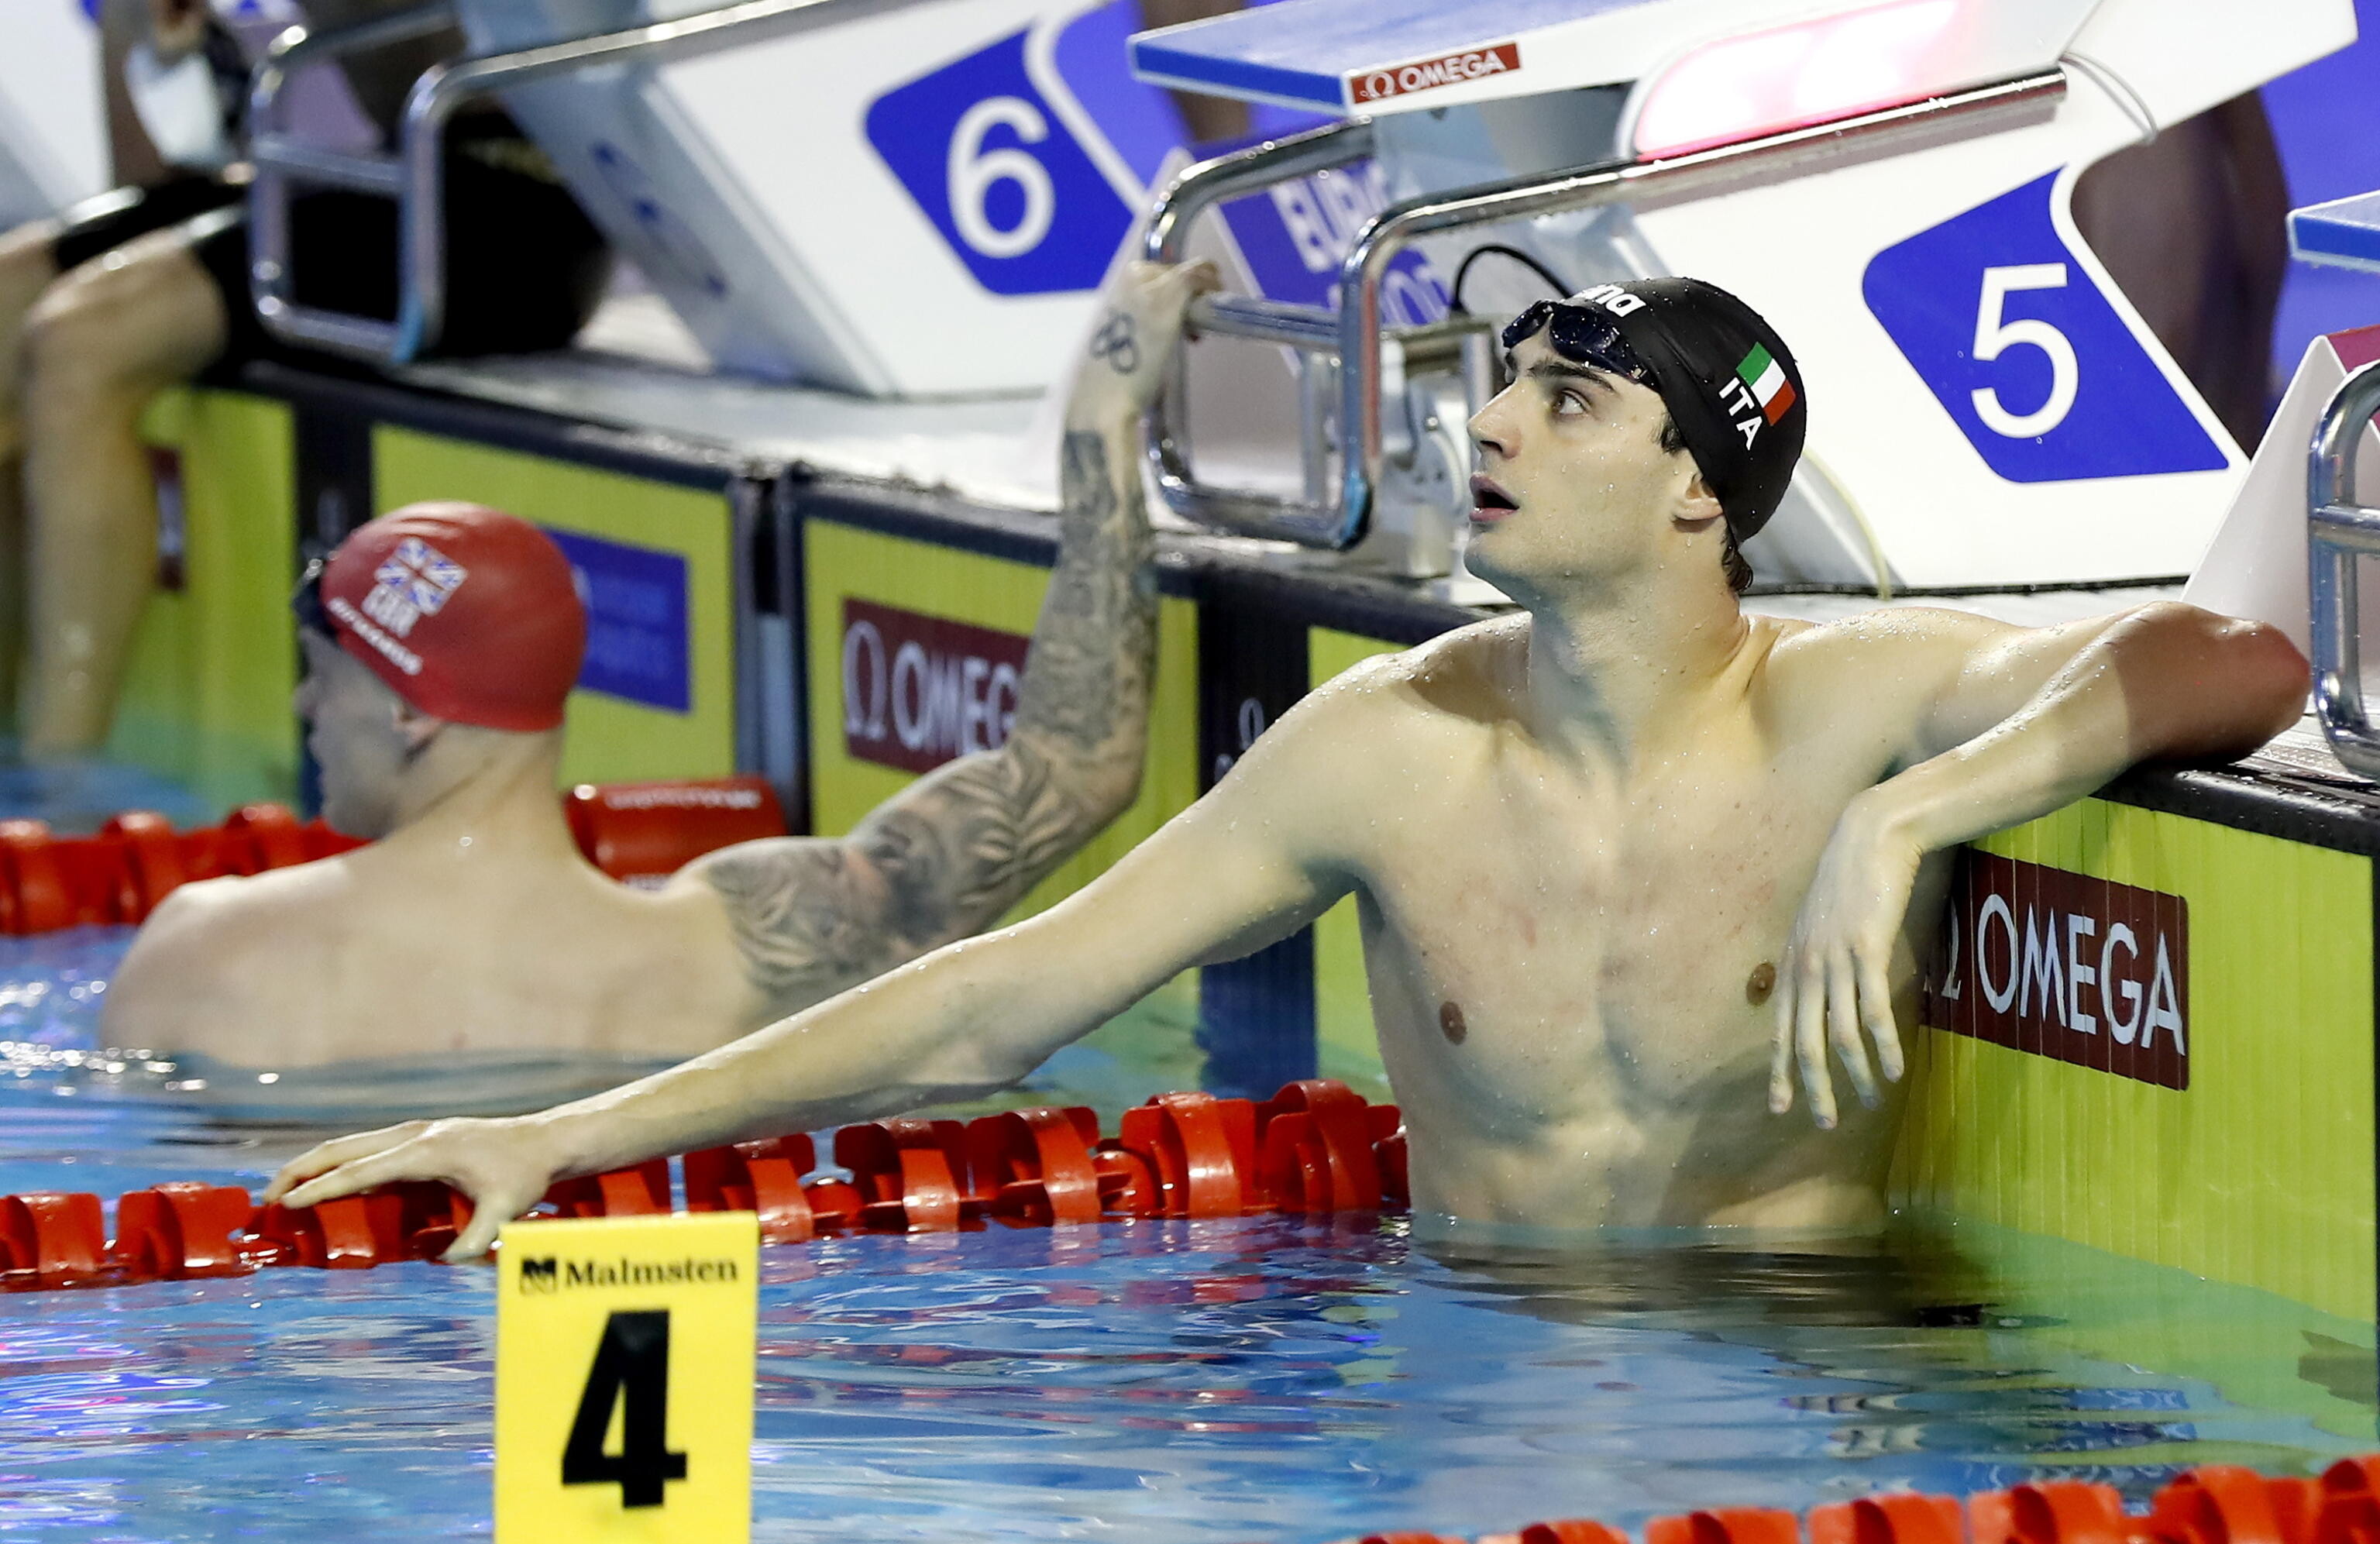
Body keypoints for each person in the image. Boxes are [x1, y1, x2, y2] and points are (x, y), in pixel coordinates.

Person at [266, 275, 2307, 1257]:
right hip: (1466, 1373)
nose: (1489, 419)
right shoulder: (1388, 753)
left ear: (1702, 493)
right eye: (1505, 379)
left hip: (1798, 1404)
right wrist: (570, 1132)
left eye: (1568, 399)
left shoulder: (1847, 709)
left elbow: (2232, 650)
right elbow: (1001, 996)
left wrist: (1915, 815)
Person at [101, 258, 1212, 1066]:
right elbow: (1073, 766)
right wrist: (1102, 418)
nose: (302, 702)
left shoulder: (208, 954)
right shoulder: (742, 944)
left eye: (323, 672)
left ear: (411, 711)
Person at [0, 0, 609, 756]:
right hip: (397, 168)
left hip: (520, 202)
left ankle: (57, 784)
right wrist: (134, 31)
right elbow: (151, 177)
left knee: (82, 338)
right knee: (10, 295)